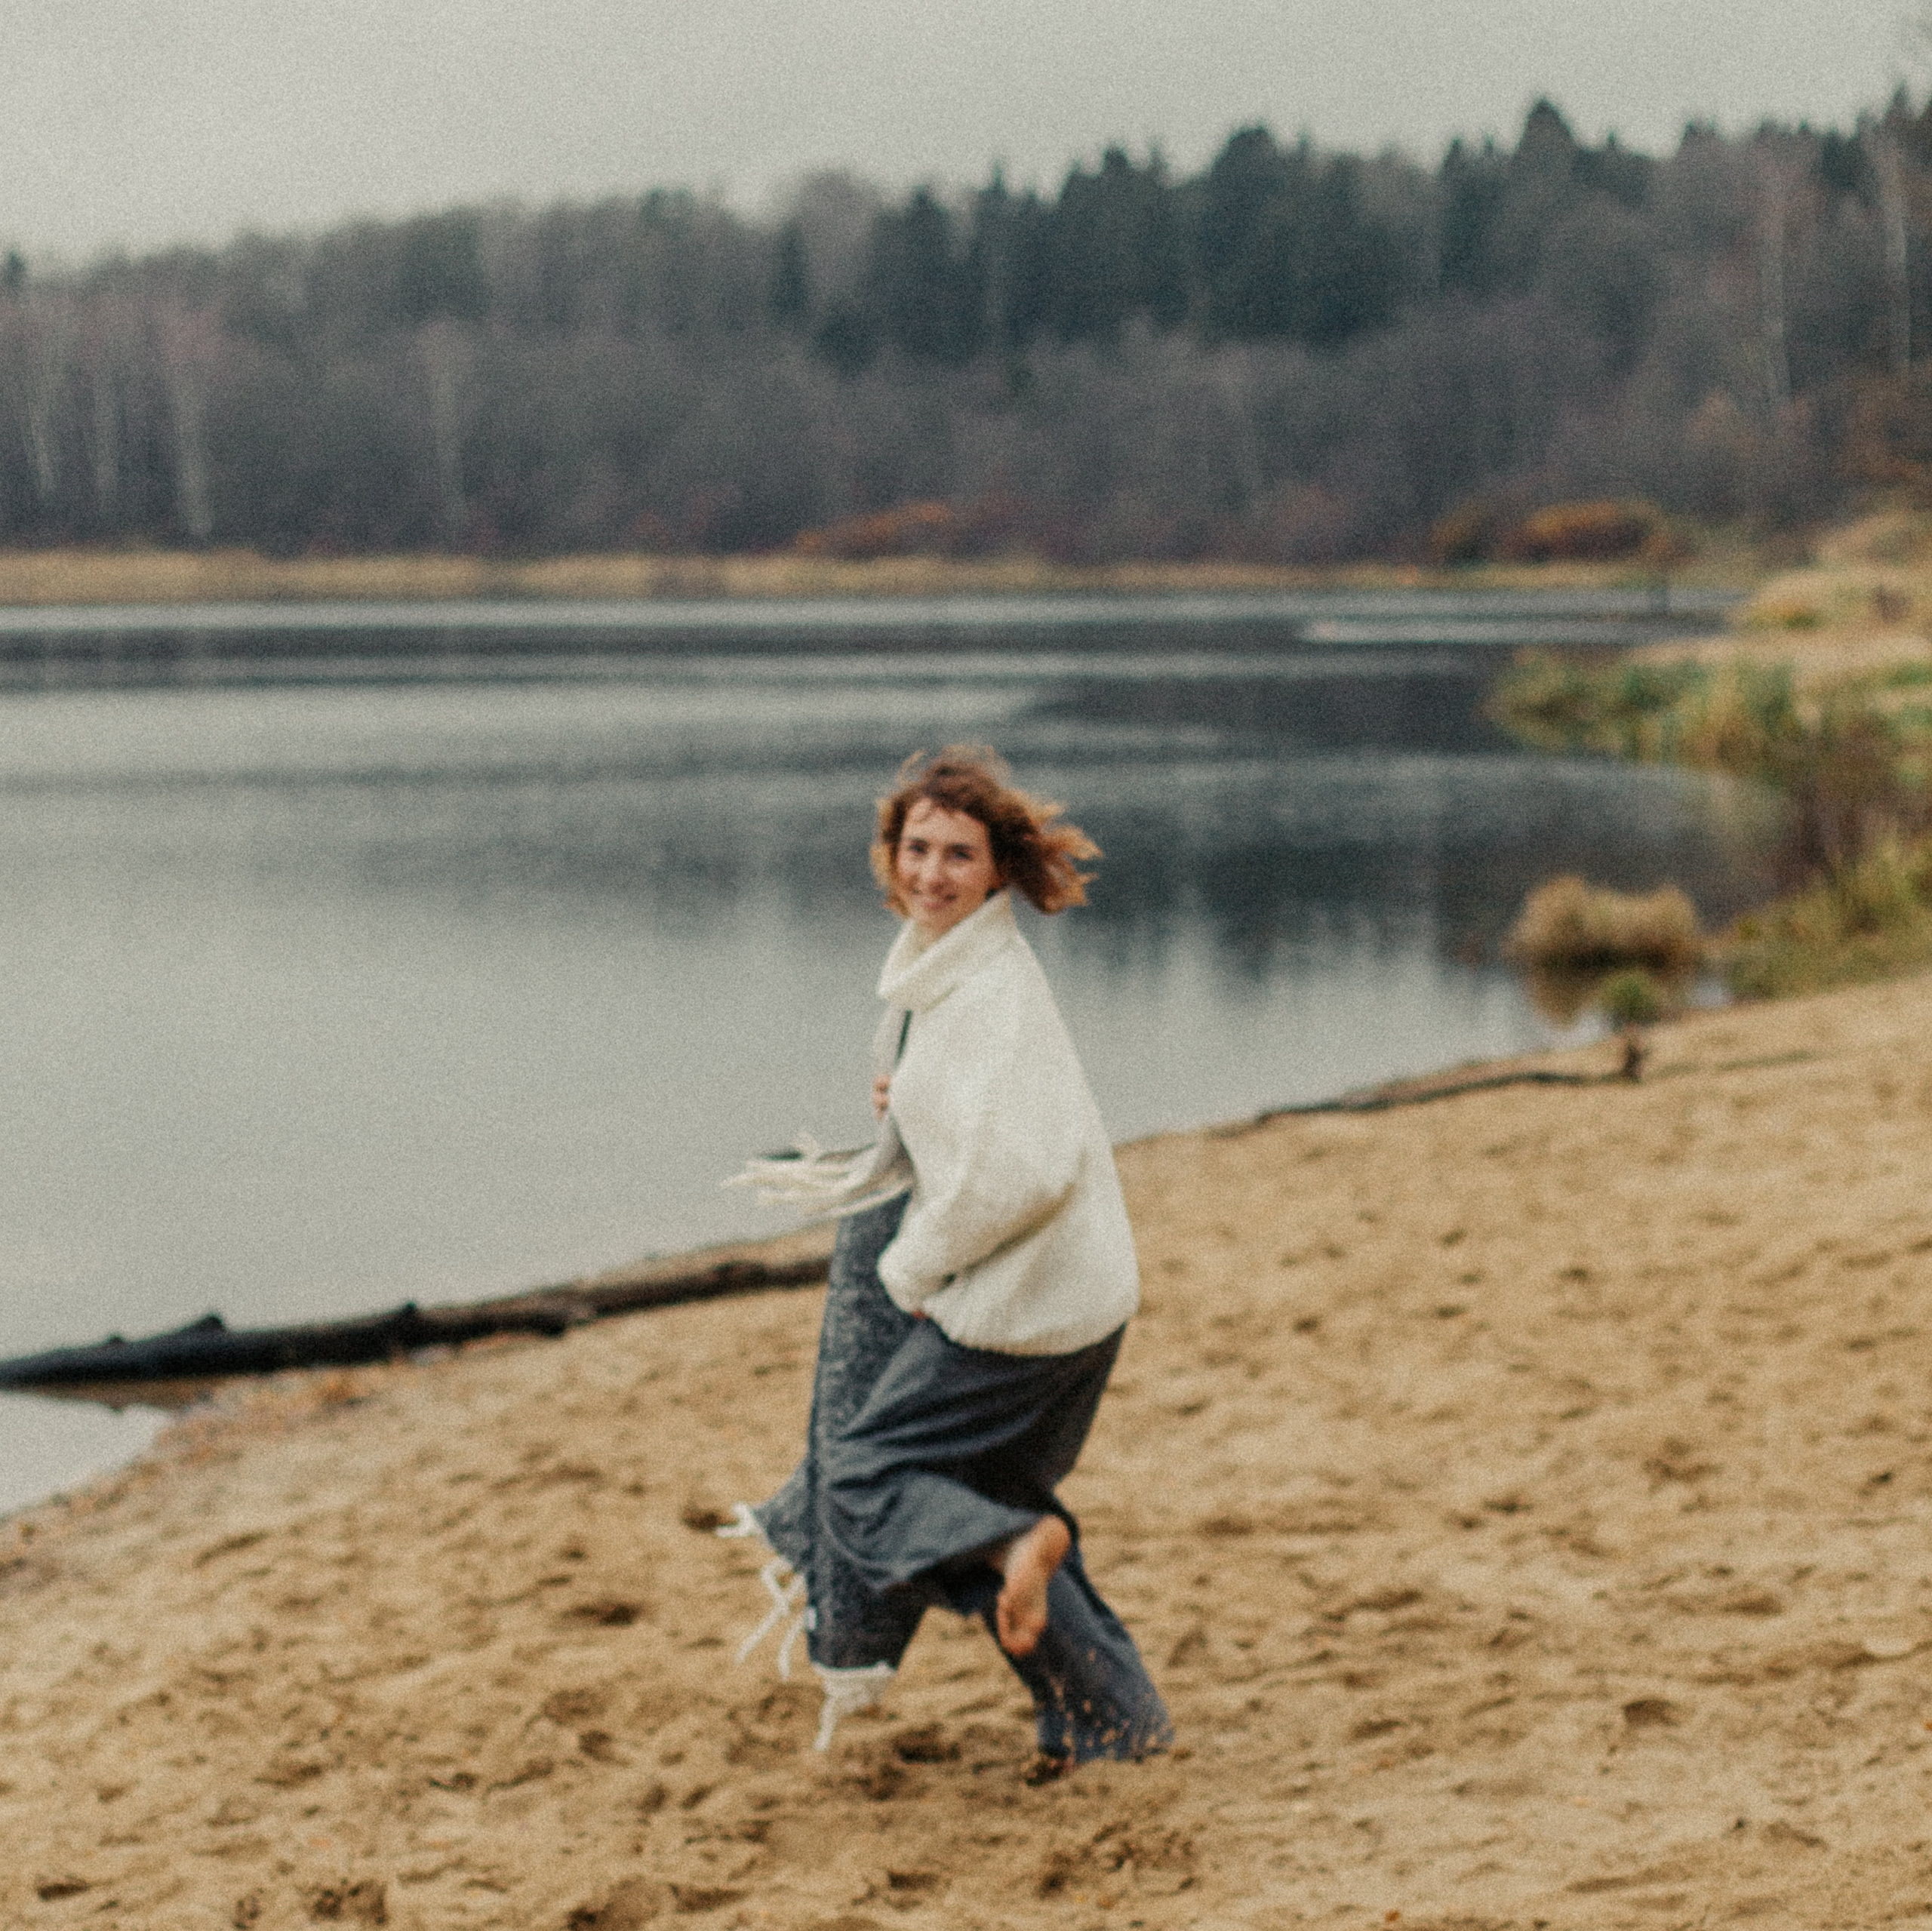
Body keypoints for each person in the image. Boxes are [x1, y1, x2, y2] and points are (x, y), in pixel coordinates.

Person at [721, 746, 1171, 1766]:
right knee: (983, 1497)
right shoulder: (953, 975)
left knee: (868, 1478)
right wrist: (911, 1101)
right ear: (890, 855)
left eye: (958, 856)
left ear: (999, 870)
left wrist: (911, 1273)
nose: (931, 874)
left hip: (1028, 1304)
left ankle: (1016, 1555)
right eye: (916, 848)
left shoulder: (987, 998)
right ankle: (1117, 1724)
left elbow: (1018, 1177)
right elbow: (970, 1126)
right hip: (1075, 1296)